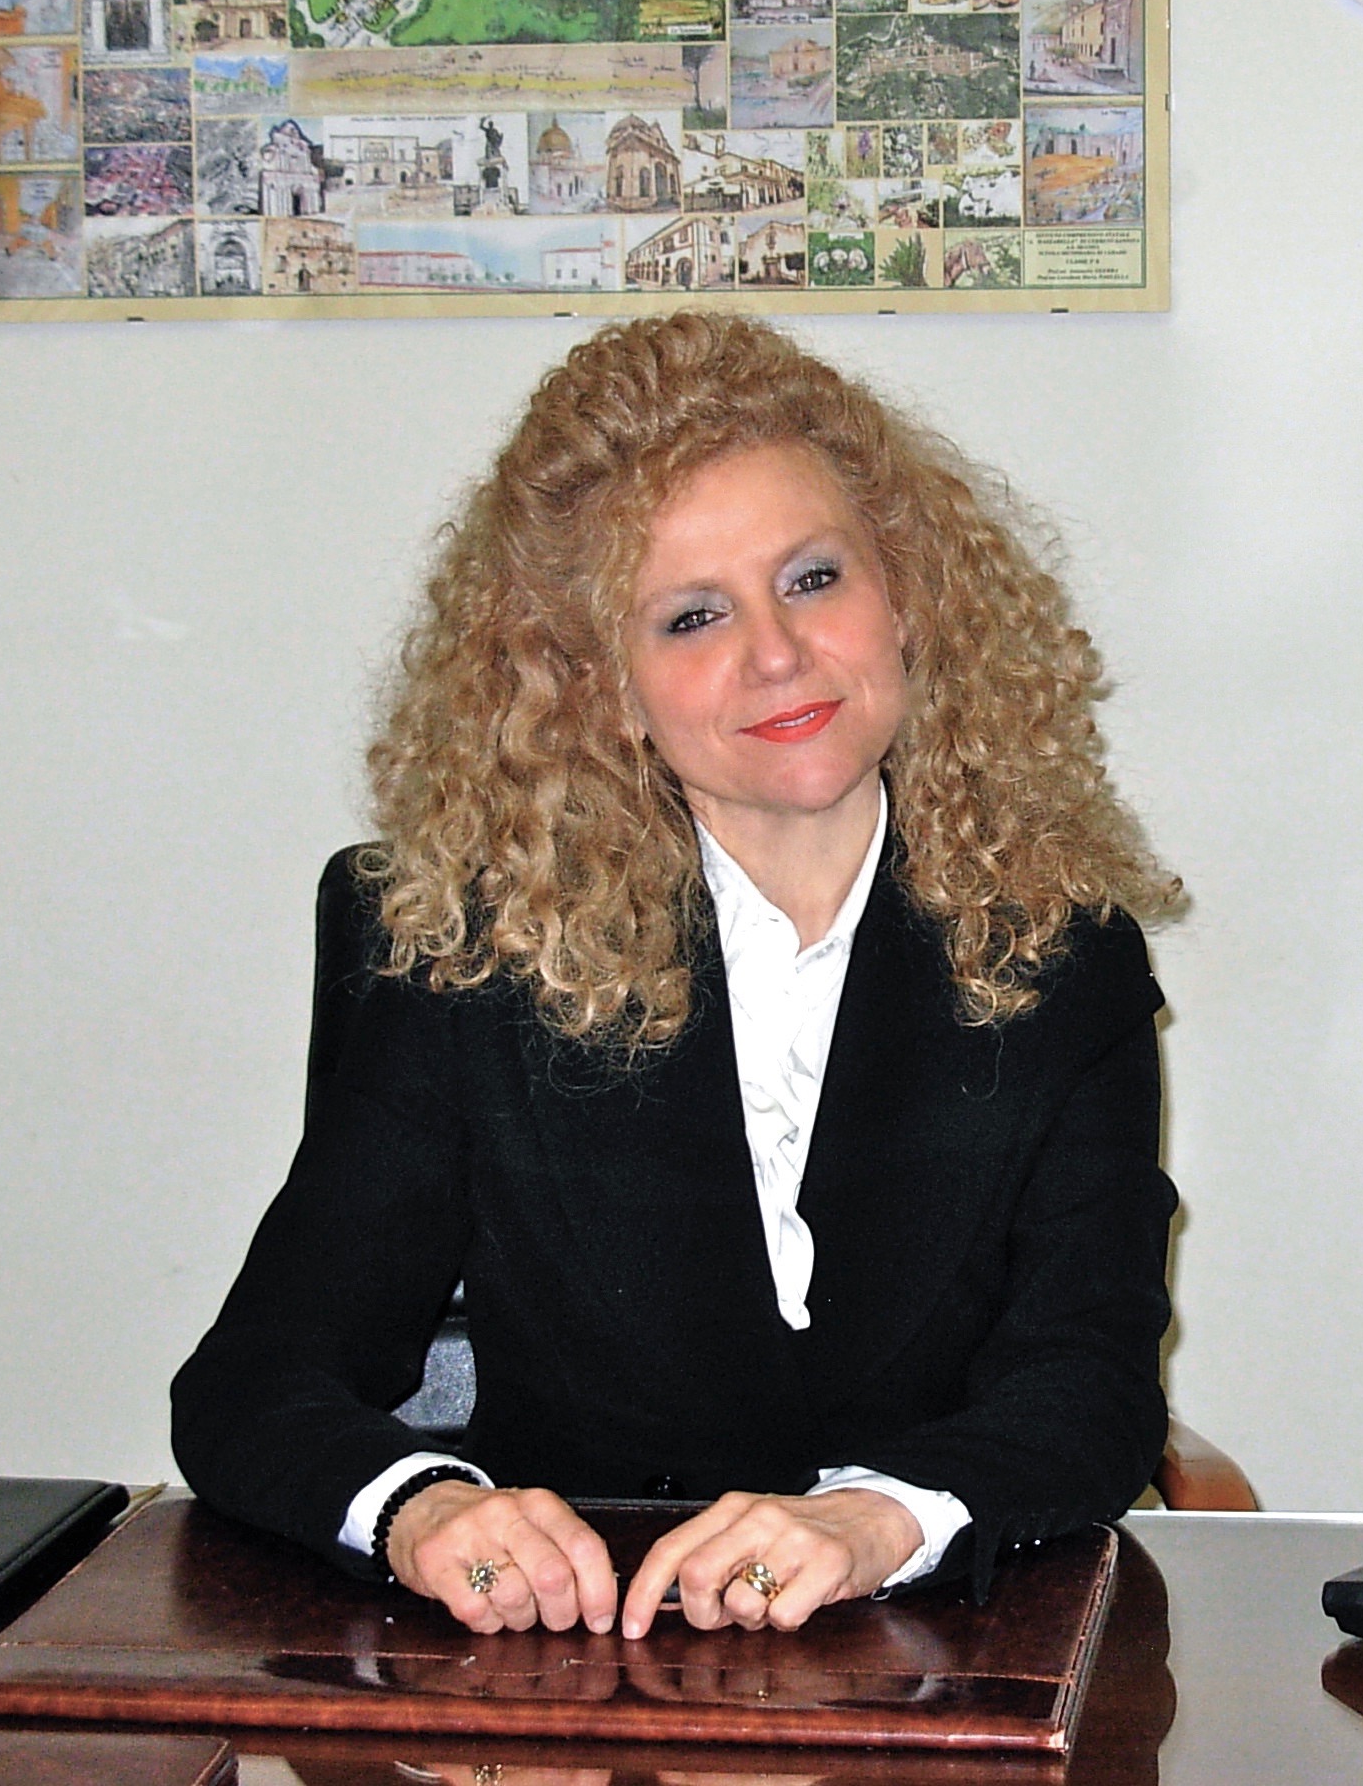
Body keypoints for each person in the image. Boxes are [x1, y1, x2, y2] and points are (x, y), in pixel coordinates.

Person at [171, 313, 1182, 1640]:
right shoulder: (473, 953)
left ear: (908, 595)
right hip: (578, 1660)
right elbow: (256, 1383)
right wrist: (421, 1509)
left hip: (935, 1655)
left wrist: (875, 1520)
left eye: (814, 578)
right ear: (597, 686)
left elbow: (1092, 1386)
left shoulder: (1062, 951)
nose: (777, 653)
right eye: (693, 616)